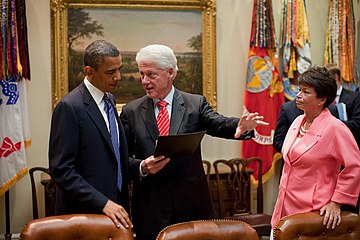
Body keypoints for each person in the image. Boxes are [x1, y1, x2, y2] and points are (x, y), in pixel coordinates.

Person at [120, 44, 268, 240]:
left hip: (191, 204)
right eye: (142, 74)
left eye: (151, 74)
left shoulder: (194, 104)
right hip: (151, 207)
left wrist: (239, 127)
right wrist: (142, 167)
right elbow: (122, 158)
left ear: (170, 72)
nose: (145, 81)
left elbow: (217, 123)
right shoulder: (131, 111)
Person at [48, 40, 132, 229]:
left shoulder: (109, 98)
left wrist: (142, 166)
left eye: (119, 69)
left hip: (117, 212)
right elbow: (61, 171)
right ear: (89, 71)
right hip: (85, 214)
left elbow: (112, 156)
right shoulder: (69, 107)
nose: (118, 77)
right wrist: (103, 203)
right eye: (111, 72)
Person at [270, 66, 360, 238]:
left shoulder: (335, 128)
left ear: (322, 99)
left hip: (313, 212)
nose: (298, 95)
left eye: (305, 92)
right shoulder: (297, 121)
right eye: (299, 89)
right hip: (283, 208)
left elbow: (355, 167)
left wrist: (337, 202)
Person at [324, 63, 360, 149]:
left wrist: (333, 124)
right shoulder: (323, 99)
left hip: (350, 146)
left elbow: (357, 124)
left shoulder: (355, 97)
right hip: (328, 147)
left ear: (336, 78)